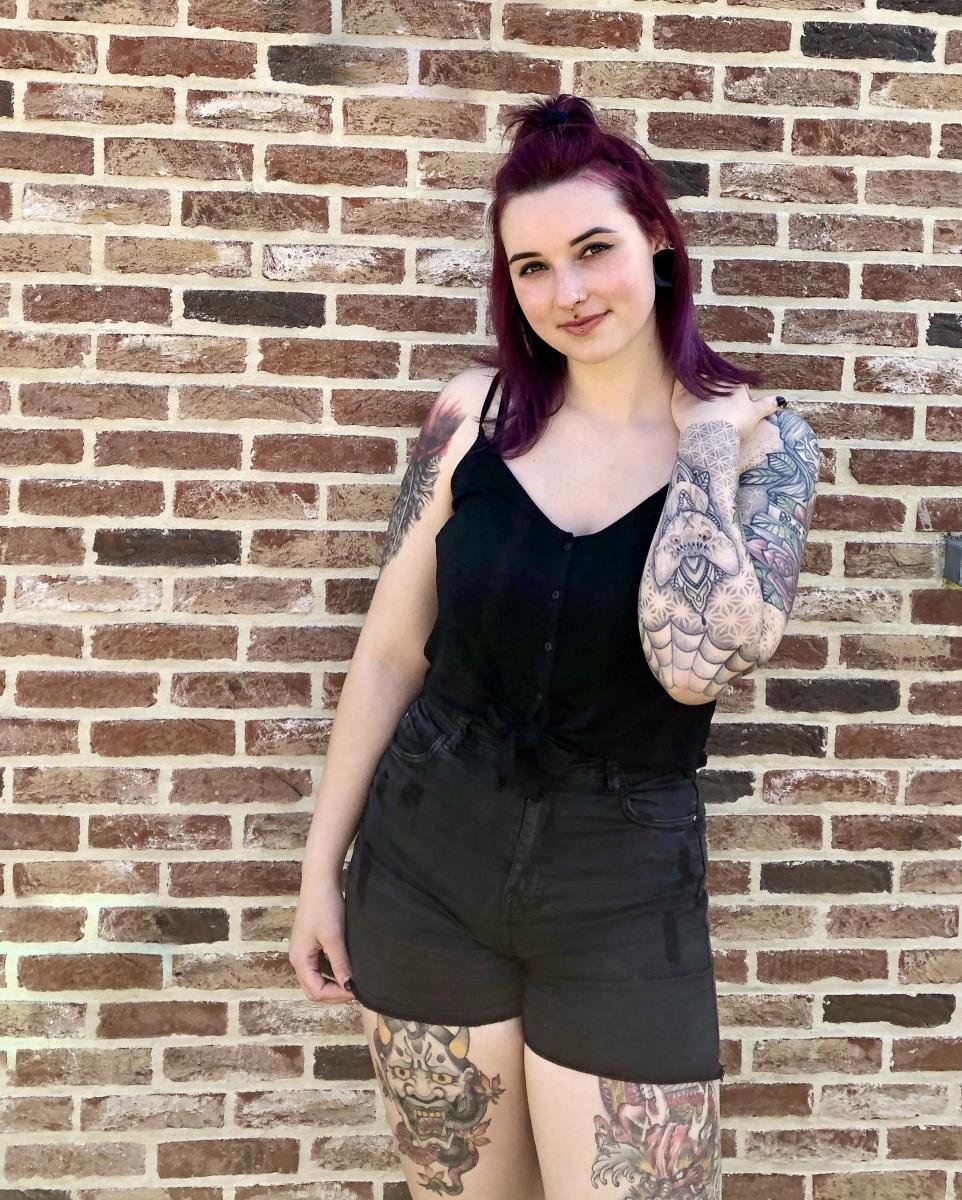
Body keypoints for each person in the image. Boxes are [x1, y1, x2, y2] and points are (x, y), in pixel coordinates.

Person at [290, 93, 820, 1199]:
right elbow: (389, 652)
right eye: (531, 268)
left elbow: (695, 665)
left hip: (621, 886)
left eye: (592, 250)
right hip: (426, 864)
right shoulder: (472, 416)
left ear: (657, 239)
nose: (566, 293)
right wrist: (317, 874)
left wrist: (703, 441)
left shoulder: (764, 444)